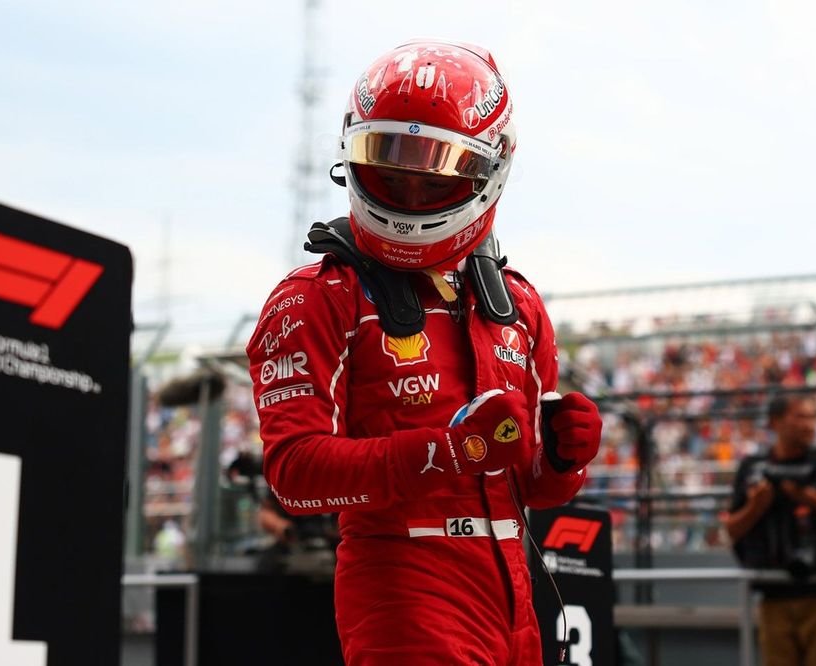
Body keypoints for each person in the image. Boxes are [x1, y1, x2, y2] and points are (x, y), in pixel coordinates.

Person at [247, 39, 602, 666]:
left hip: (514, 592)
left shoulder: (517, 306)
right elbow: (295, 477)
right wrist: (447, 450)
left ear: (490, 167)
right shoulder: (317, 297)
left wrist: (565, 459)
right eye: (390, 163)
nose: (409, 191)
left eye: (432, 170)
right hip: (401, 589)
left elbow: (533, 487)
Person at [725, 394, 816, 666]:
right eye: (801, 417)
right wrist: (757, 505)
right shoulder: (754, 469)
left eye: (813, 417)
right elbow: (732, 530)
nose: (810, 425)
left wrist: (806, 496)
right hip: (775, 596)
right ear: (776, 422)